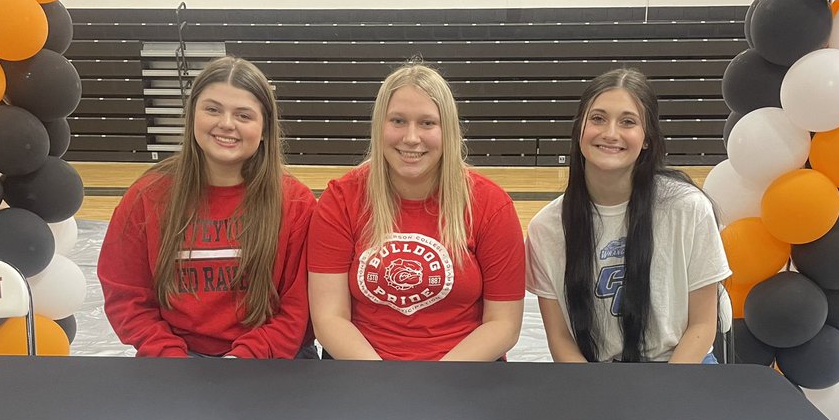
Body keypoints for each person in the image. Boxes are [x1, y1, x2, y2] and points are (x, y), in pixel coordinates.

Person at [98, 56, 316, 358]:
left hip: (273, 358)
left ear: (265, 128)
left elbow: (300, 308)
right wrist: (170, 357)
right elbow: (126, 294)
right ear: (192, 116)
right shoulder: (147, 195)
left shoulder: (296, 202)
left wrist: (244, 360)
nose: (226, 124)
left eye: (243, 115)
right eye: (212, 109)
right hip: (177, 358)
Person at [307, 63, 525, 361]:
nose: (411, 138)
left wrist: (435, 383)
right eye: (398, 121)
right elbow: (329, 318)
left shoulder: (490, 205)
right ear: (379, 125)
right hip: (362, 370)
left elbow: (504, 324)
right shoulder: (341, 199)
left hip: (463, 373)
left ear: (447, 129)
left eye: (427, 123)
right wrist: (385, 383)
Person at [526, 68, 730, 364]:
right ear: (579, 129)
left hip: (681, 367)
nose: (610, 133)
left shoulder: (688, 208)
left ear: (647, 138)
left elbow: (702, 325)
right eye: (597, 118)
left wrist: (660, 394)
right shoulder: (546, 227)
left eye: (628, 122)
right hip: (595, 376)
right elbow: (560, 338)